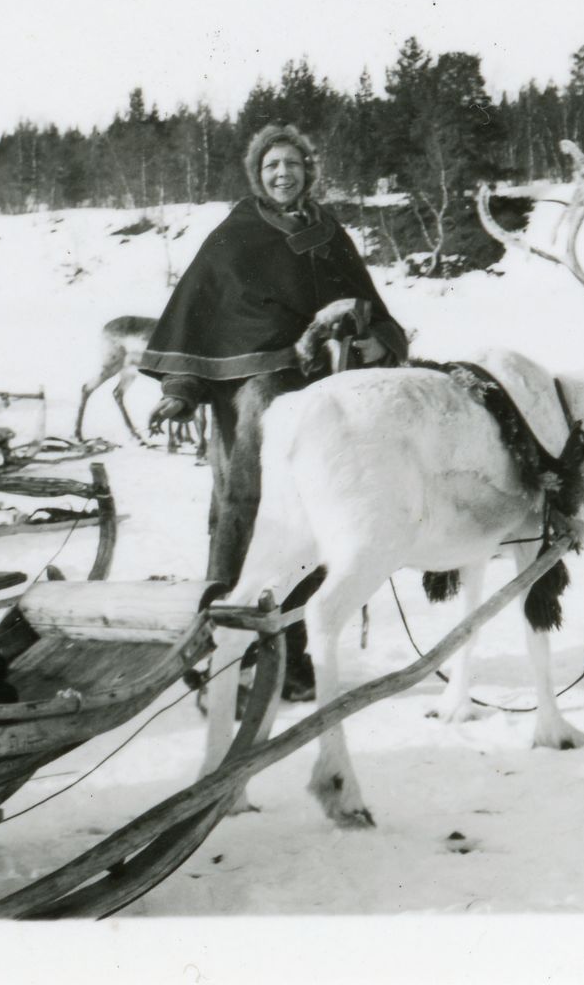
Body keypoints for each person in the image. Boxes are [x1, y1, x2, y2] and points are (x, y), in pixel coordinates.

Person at [140, 123, 407, 696]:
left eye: (292, 164)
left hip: (321, 394)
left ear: (309, 171)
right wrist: (181, 389)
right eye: (271, 167)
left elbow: (368, 304)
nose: (282, 174)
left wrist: (379, 339)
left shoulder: (330, 234)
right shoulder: (233, 237)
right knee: (249, 511)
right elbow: (199, 314)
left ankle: (291, 652)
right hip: (252, 398)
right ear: (257, 176)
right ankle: (225, 654)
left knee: (315, 521)